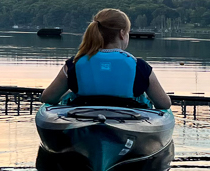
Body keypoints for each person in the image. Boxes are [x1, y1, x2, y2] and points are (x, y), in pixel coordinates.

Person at [41, 9, 172, 110]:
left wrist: (68, 93)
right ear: (122, 33)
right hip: (128, 124)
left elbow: (48, 98)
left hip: (83, 121)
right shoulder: (139, 66)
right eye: (128, 32)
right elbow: (164, 104)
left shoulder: (74, 63)